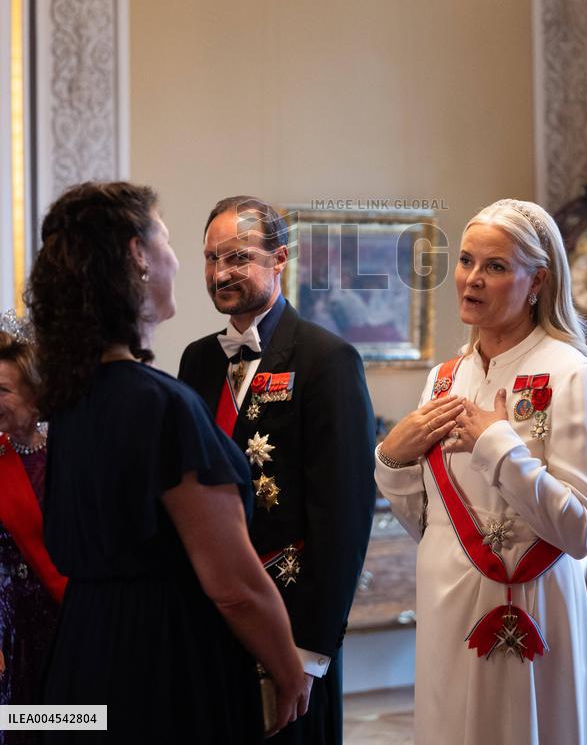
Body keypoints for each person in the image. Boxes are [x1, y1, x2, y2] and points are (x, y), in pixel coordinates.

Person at [27, 181, 308, 743]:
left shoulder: (71, 398)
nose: (179, 260)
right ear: (138, 256)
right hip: (160, 664)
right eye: (170, 241)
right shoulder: (162, 405)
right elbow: (233, 583)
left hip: (80, 654)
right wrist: (289, 668)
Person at [375, 198, 587, 745]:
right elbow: (427, 522)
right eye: (465, 261)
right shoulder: (442, 378)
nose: (472, 280)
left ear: (537, 282)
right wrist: (392, 459)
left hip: (532, 605)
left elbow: (582, 530)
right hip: (446, 605)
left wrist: (497, 446)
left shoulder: (571, 372)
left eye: (496, 266)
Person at [179, 196, 376, 745]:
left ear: (279, 259)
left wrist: (311, 652)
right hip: (210, 614)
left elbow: (344, 516)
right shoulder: (197, 360)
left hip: (290, 621)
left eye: (238, 258)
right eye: (211, 259)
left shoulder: (326, 359)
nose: (221, 273)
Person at [0, 313, 66, 744]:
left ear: (35, 393)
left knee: (73, 724)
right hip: (10, 635)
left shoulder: (68, 454)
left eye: (3, 390)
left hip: (66, 629)